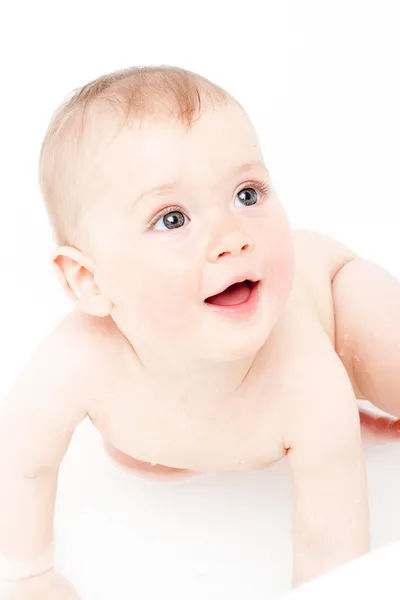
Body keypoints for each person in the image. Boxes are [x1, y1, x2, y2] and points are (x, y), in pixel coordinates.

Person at [1, 65, 400, 599]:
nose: (233, 238)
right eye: (172, 219)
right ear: (89, 281)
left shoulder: (306, 377)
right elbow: (21, 465)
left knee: (384, 345)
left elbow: (333, 553)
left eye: (248, 194)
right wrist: (27, 573)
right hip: (190, 426)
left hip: (333, 290)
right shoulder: (77, 360)